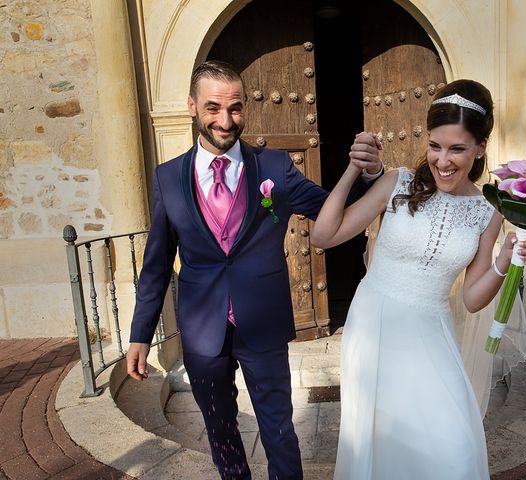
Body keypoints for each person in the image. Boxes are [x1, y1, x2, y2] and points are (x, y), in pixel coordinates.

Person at [125, 60, 383, 480]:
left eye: (235, 109)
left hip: (262, 320)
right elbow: (155, 265)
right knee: (221, 429)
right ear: (192, 106)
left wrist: (369, 175)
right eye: (213, 108)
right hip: (201, 327)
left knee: (279, 428)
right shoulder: (168, 177)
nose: (225, 121)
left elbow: (328, 206)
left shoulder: (274, 168)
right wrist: (140, 333)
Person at [310, 79, 526, 479]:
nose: (443, 160)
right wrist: (352, 169)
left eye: (457, 148)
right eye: (435, 146)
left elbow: (471, 298)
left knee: (456, 448)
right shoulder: (396, 183)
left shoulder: (488, 211)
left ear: (481, 148)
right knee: (379, 442)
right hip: (374, 326)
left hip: (431, 331)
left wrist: (505, 257)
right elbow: (323, 235)